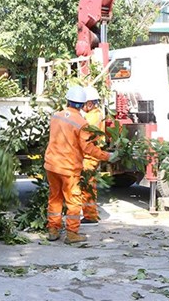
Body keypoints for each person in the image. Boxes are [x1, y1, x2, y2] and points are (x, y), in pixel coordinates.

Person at [43, 85, 112, 244]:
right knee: (73, 201)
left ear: (67, 100)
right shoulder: (81, 123)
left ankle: (53, 230)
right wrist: (107, 156)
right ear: (82, 104)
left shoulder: (56, 116)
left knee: (55, 198)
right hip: (68, 168)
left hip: (51, 165)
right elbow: (88, 148)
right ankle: (72, 234)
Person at [80, 86, 105, 226]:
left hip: (89, 155)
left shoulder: (92, 116)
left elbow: (84, 134)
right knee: (87, 185)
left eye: (82, 104)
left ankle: (90, 216)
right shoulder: (95, 114)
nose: (81, 107)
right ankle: (89, 214)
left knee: (87, 185)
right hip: (90, 154)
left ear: (89, 103)